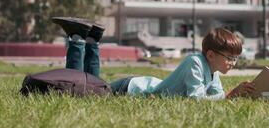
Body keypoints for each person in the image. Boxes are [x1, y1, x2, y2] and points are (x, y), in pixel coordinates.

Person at [53, 17, 255, 99]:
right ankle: (78, 38)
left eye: (235, 59)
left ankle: (92, 41)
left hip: (142, 84)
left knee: (93, 88)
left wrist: (235, 95)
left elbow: (215, 98)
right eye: (229, 58)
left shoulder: (212, 71)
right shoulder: (196, 62)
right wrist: (231, 95)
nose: (232, 63)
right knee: (85, 91)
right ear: (211, 54)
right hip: (132, 88)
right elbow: (197, 100)